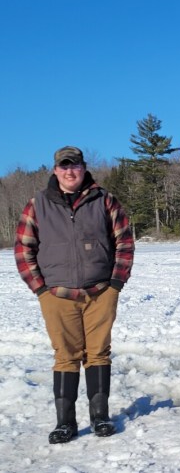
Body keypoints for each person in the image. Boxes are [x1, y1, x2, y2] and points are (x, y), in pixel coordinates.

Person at [15, 146, 134, 444]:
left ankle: (100, 417)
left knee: (98, 353)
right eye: (64, 166)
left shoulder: (104, 200)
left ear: (83, 168)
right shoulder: (38, 204)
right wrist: (40, 289)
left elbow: (125, 242)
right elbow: (23, 249)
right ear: (55, 170)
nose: (70, 171)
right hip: (56, 294)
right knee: (66, 356)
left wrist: (115, 284)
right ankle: (65, 422)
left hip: (100, 292)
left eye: (75, 165)